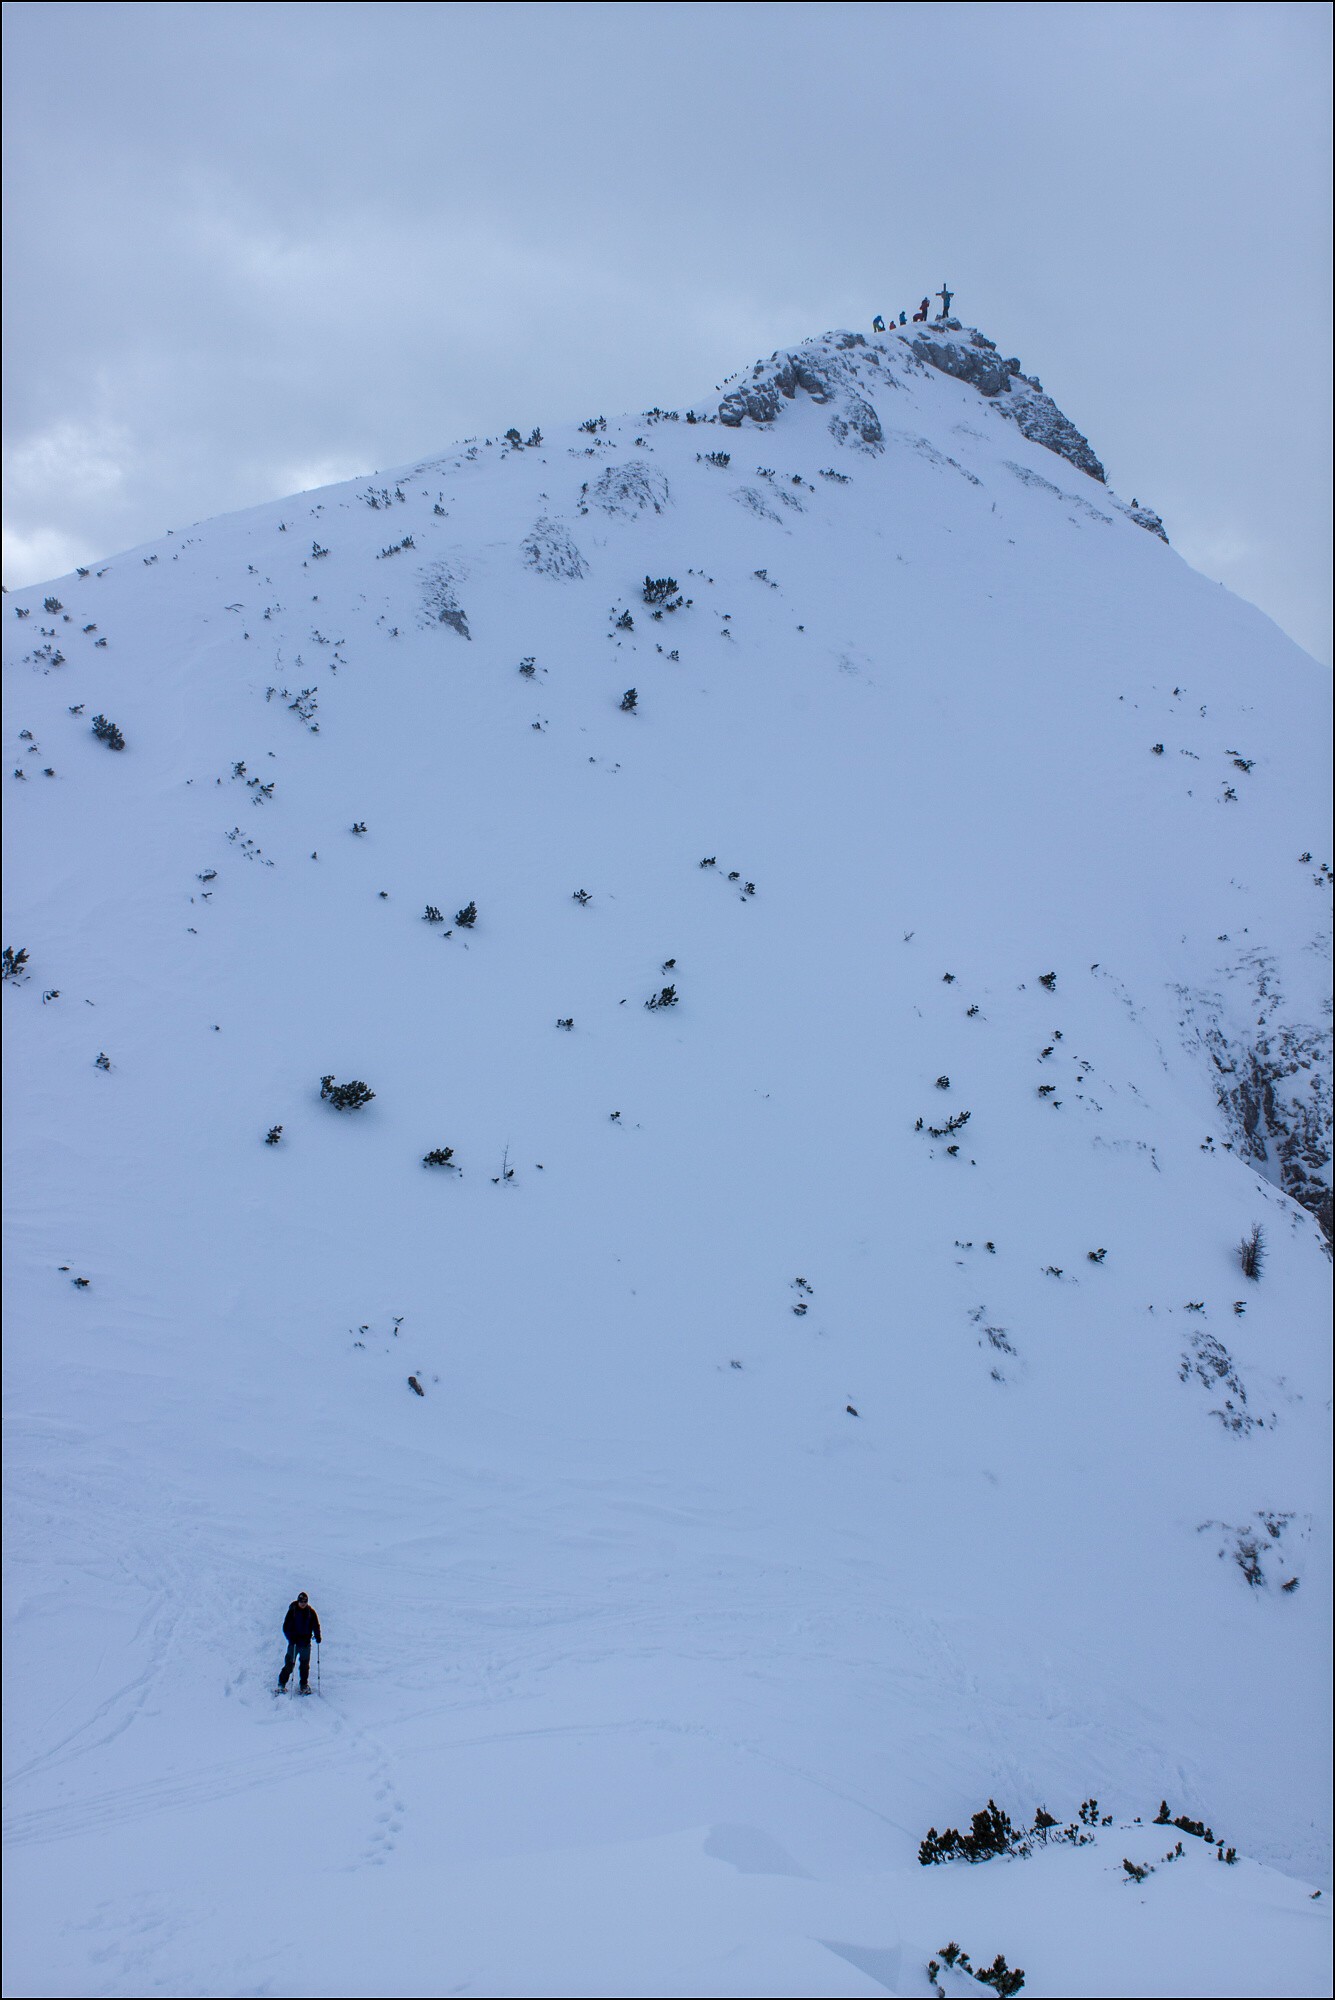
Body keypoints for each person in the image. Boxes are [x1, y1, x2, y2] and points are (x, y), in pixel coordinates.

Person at [278, 1591, 322, 1692]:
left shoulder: (311, 1612)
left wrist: (318, 1636)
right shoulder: (292, 1611)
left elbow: (316, 1625)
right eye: (301, 1601)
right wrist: (291, 1638)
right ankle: (281, 1683)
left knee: (305, 1666)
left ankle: (304, 1685)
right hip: (294, 1644)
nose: (303, 1603)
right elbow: (286, 1627)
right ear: (298, 1601)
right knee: (289, 1664)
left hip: (306, 1643)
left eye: (305, 1602)